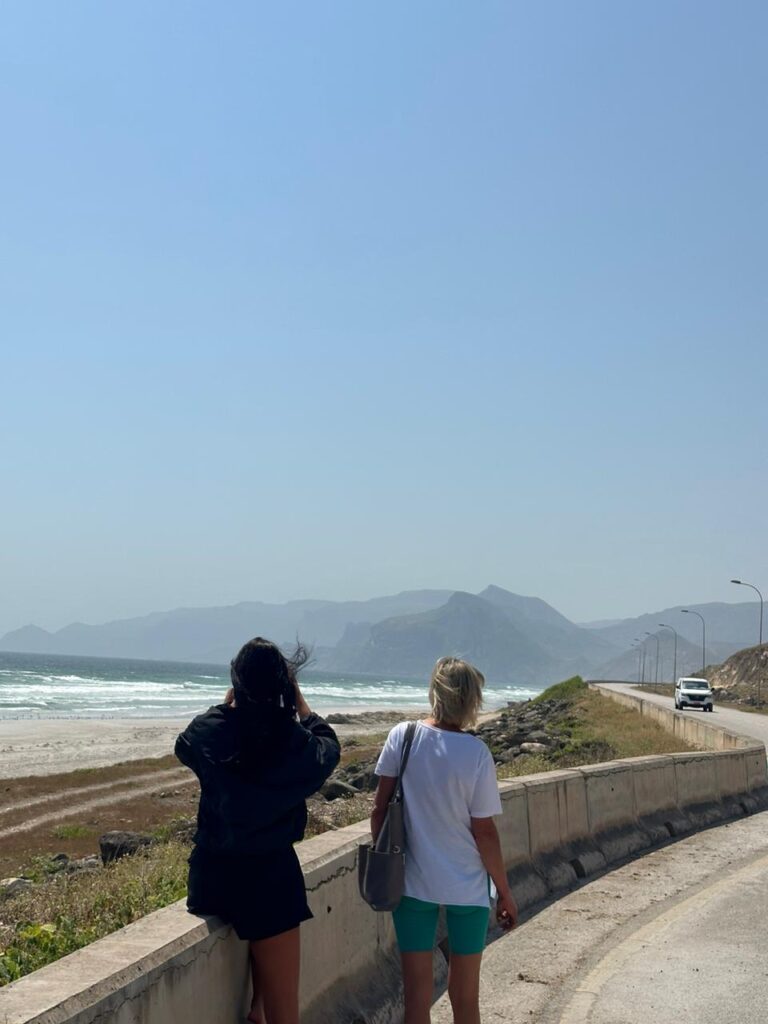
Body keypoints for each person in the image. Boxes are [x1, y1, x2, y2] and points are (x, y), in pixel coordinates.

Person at [175, 637, 340, 1024]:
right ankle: (264, 1009)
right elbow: (329, 749)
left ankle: (257, 1010)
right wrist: (301, 707)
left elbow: (185, 746)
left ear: (237, 684)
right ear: (284, 687)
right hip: (269, 880)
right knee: (288, 1015)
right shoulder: (292, 740)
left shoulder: (214, 730)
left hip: (212, 879)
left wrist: (225, 707)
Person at [371, 656, 518, 1024]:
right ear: (472, 700)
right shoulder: (477, 754)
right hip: (467, 888)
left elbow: (379, 808)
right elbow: (484, 831)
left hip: (412, 883)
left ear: (435, 692)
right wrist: (504, 890)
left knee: (417, 996)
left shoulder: (402, 737)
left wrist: (387, 862)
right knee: (465, 996)